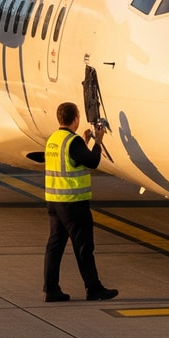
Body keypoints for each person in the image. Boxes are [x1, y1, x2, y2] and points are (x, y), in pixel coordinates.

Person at [43, 101, 119, 303]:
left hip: (54, 201)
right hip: (73, 203)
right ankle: (93, 288)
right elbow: (92, 161)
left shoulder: (54, 139)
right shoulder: (72, 142)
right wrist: (98, 142)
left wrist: (83, 143)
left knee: (55, 246)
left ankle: (51, 289)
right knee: (84, 247)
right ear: (76, 119)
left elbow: (71, 160)